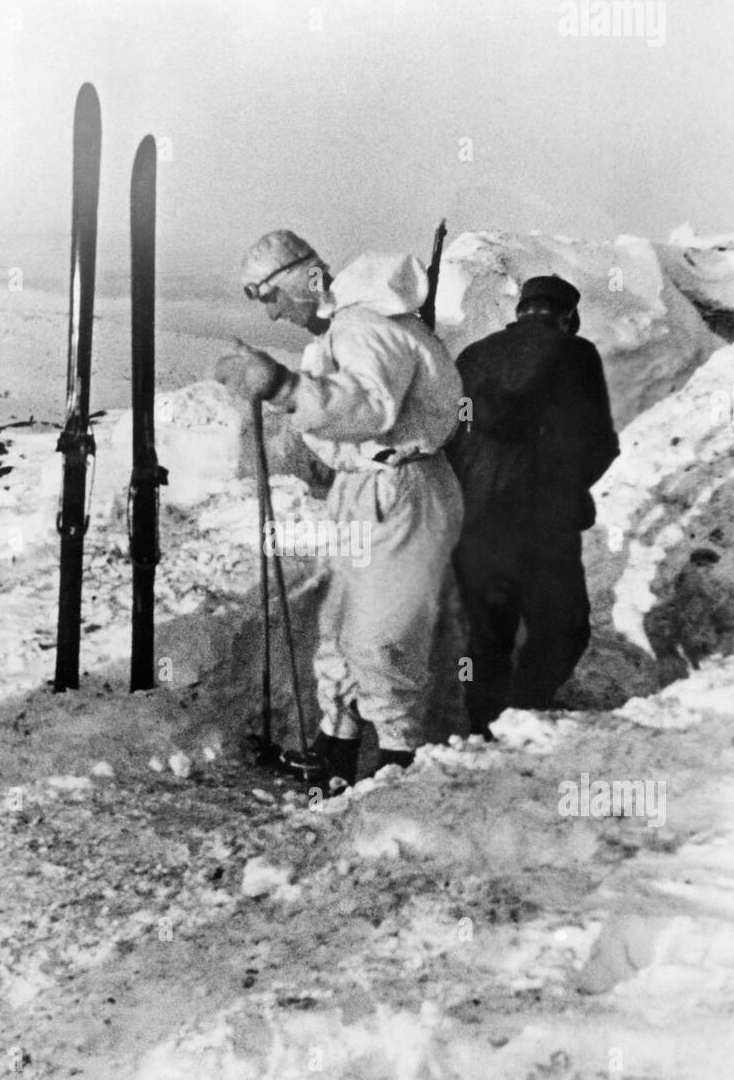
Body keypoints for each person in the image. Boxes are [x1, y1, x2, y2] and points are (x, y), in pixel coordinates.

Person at [216, 229, 464, 789]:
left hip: (401, 487)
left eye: (273, 297)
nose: (275, 315)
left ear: (306, 278)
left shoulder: (364, 327)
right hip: (365, 486)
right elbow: (335, 425)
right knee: (340, 628)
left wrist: (280, 385)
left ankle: (400, 768)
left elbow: (367, 408)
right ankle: (336, 751)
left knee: (382, 633)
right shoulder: (337, 334)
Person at [447, 275, 619, 736]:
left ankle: (483, 725)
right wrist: (566, 485)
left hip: (475, 521)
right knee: (564, 627)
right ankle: (525, 710)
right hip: (544, 523)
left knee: (485, 637)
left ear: (521, 309)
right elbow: (600, 443)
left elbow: (450, 437)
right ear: (568, 316)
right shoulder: (576, 354)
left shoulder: (473, 356)